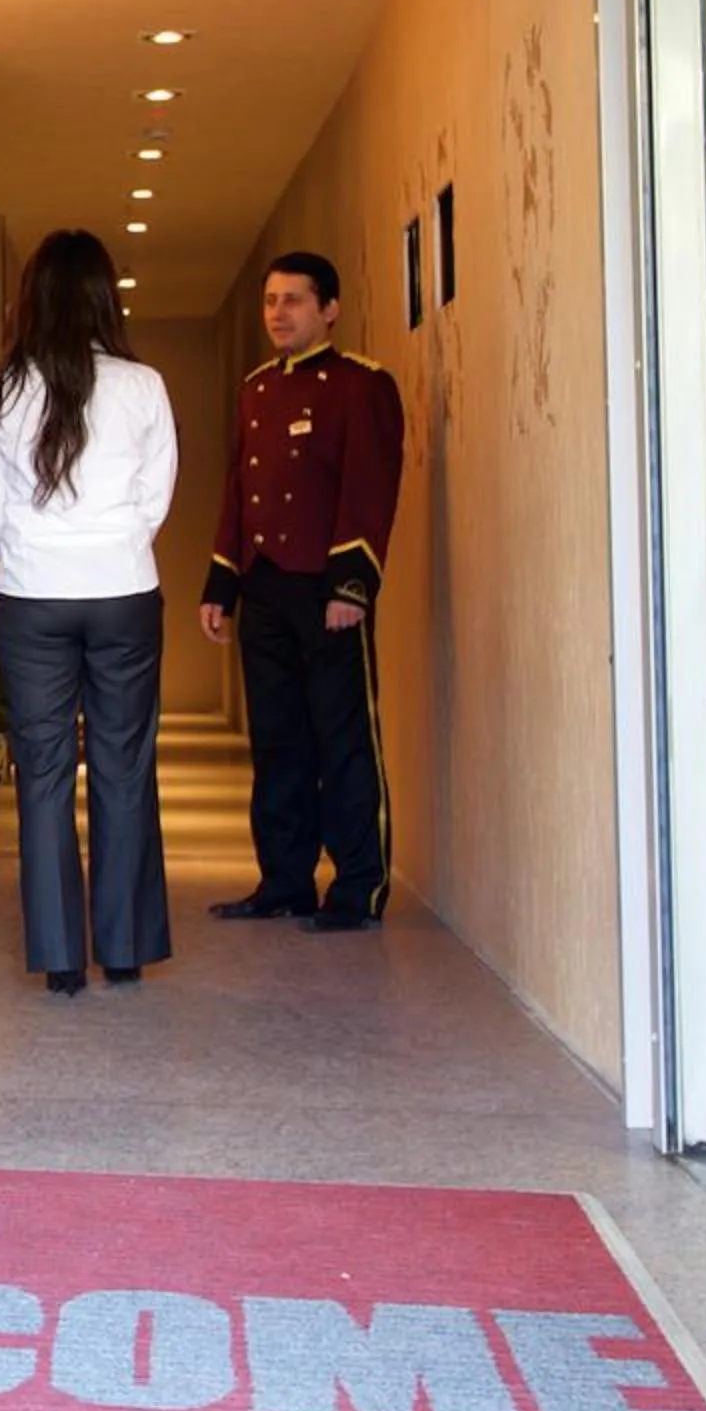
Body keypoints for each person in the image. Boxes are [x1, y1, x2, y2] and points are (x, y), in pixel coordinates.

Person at [0, 230, 177, 995]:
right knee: (125, 767)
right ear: (101, 297)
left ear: (31, 299)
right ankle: (123, 949)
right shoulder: (143, 384)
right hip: (123, 589)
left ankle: (61, 960)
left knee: (44, 773)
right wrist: (112, 547)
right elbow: (155, 497)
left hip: (32, 596)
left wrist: (37, 553)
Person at [196, 251, 405, 930]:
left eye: (293, 300)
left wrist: (352, 584)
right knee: (278, 738)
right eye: (270, 301)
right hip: (265, 590)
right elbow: (238, 492)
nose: (278, 313)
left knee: (342, 737)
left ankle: (357, 886)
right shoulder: (256, 389)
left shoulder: (361, 386)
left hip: (327, 591)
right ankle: (284, 880)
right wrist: (221, 583)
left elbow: (368, 489)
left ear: (329, 309)